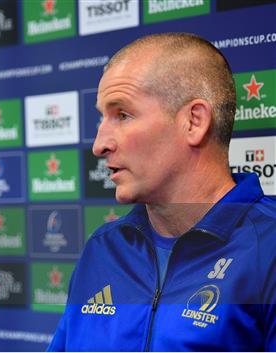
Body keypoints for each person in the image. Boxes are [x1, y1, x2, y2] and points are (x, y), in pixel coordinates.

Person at [48, 32, 275, 351]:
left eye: (123, 115)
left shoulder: (268, 249)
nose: (100, 145)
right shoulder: (103, 249)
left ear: (194, 122)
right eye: (102, 117)